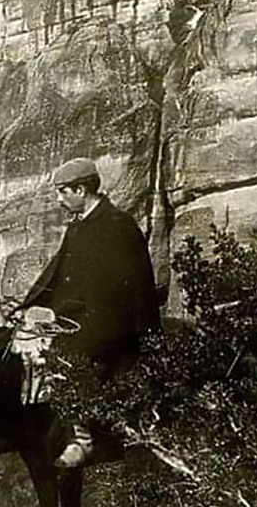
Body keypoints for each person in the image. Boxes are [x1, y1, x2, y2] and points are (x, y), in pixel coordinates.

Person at [20, 157, 161, 467]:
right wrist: (32, 306)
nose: (59, 200)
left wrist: (148, 341)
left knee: (65, 352)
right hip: (79, 317)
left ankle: (83, 441)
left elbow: (136, 285)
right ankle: (20, 423)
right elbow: (57, 274)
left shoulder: (118, 224)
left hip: (111, 324)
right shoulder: (78, 227)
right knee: (18, 338)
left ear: (81, 189)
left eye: (62, 192)